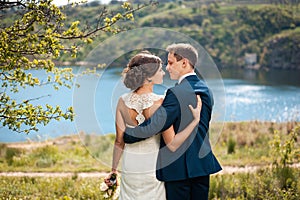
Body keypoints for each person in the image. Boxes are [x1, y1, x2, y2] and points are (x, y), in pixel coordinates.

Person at [123, 44, 222, 200]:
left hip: (178, 171)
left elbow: (155, 125)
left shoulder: (176, 93)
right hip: (202, 166)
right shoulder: (206, 90)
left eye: (170, 63)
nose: (167, 68)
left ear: (184, 63)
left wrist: (127, 135)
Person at [105, 51, 202, 200]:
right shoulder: (161, 103)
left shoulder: (122, 101)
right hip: (152, 167)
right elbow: (172, 144)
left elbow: (119, 141)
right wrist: (195, 121)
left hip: (130, 167)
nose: (164, 72)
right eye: (160, 70)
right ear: (149, 77)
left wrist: (113, 170)